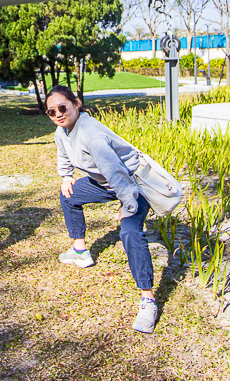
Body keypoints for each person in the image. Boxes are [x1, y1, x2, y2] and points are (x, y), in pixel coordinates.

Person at [47, 84, 158, 334]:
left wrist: (128, 206)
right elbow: (64, 156)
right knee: (69, 195)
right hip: (105, 184)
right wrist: (66, 177)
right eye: (51, 112)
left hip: (134, 184)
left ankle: (148, 299)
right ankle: (80, 251)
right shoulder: (62, 132)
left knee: (130, 232)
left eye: (62, 107)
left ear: (76, 104)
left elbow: (117, 173)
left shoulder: (91, 135)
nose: (58, 115)